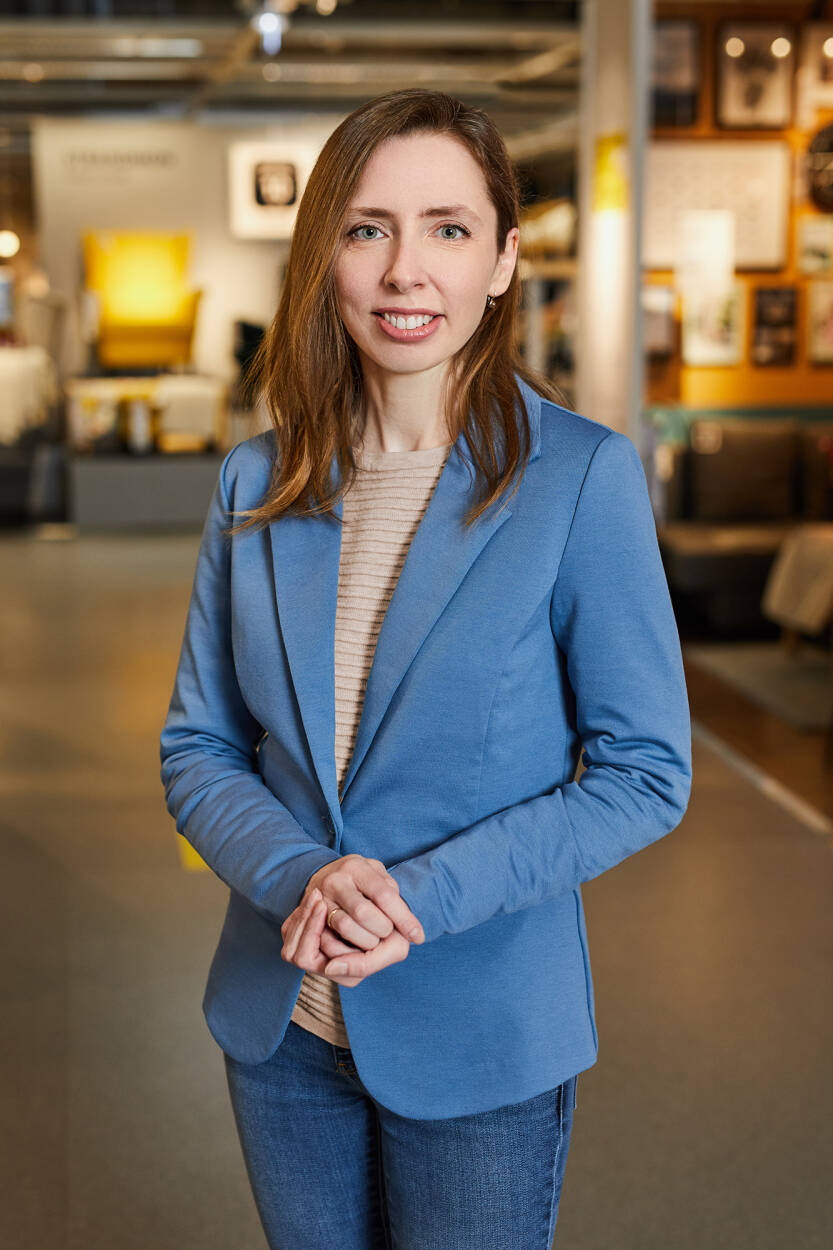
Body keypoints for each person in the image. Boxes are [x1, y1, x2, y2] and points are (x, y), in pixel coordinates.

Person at [159, 88, 692, 1250]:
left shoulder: (578, 478)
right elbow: (198, 745)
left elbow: (644, 772)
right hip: (282, 1023)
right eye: (367, 229)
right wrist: (304, 873)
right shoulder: (257, 480)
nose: (406, 269)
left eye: (448, 228)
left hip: (478, 1030)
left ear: (501, 260)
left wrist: (416, 898)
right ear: (324, 257)